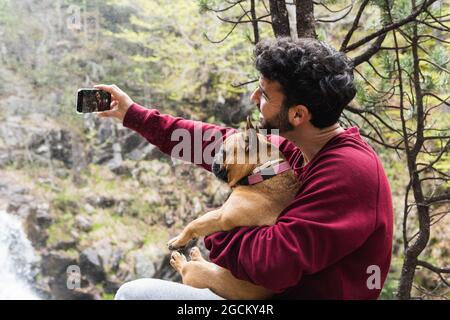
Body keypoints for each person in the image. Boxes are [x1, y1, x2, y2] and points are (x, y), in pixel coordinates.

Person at [95, 37, 393, 300]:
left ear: (298, 114)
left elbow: (272, 265)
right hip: (258, 294)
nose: (253, 98)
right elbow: (211, 143)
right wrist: (132, 114)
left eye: (264, 95)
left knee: (133, 295)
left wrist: (219, 227)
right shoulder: (294, 147)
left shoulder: (350, 173)